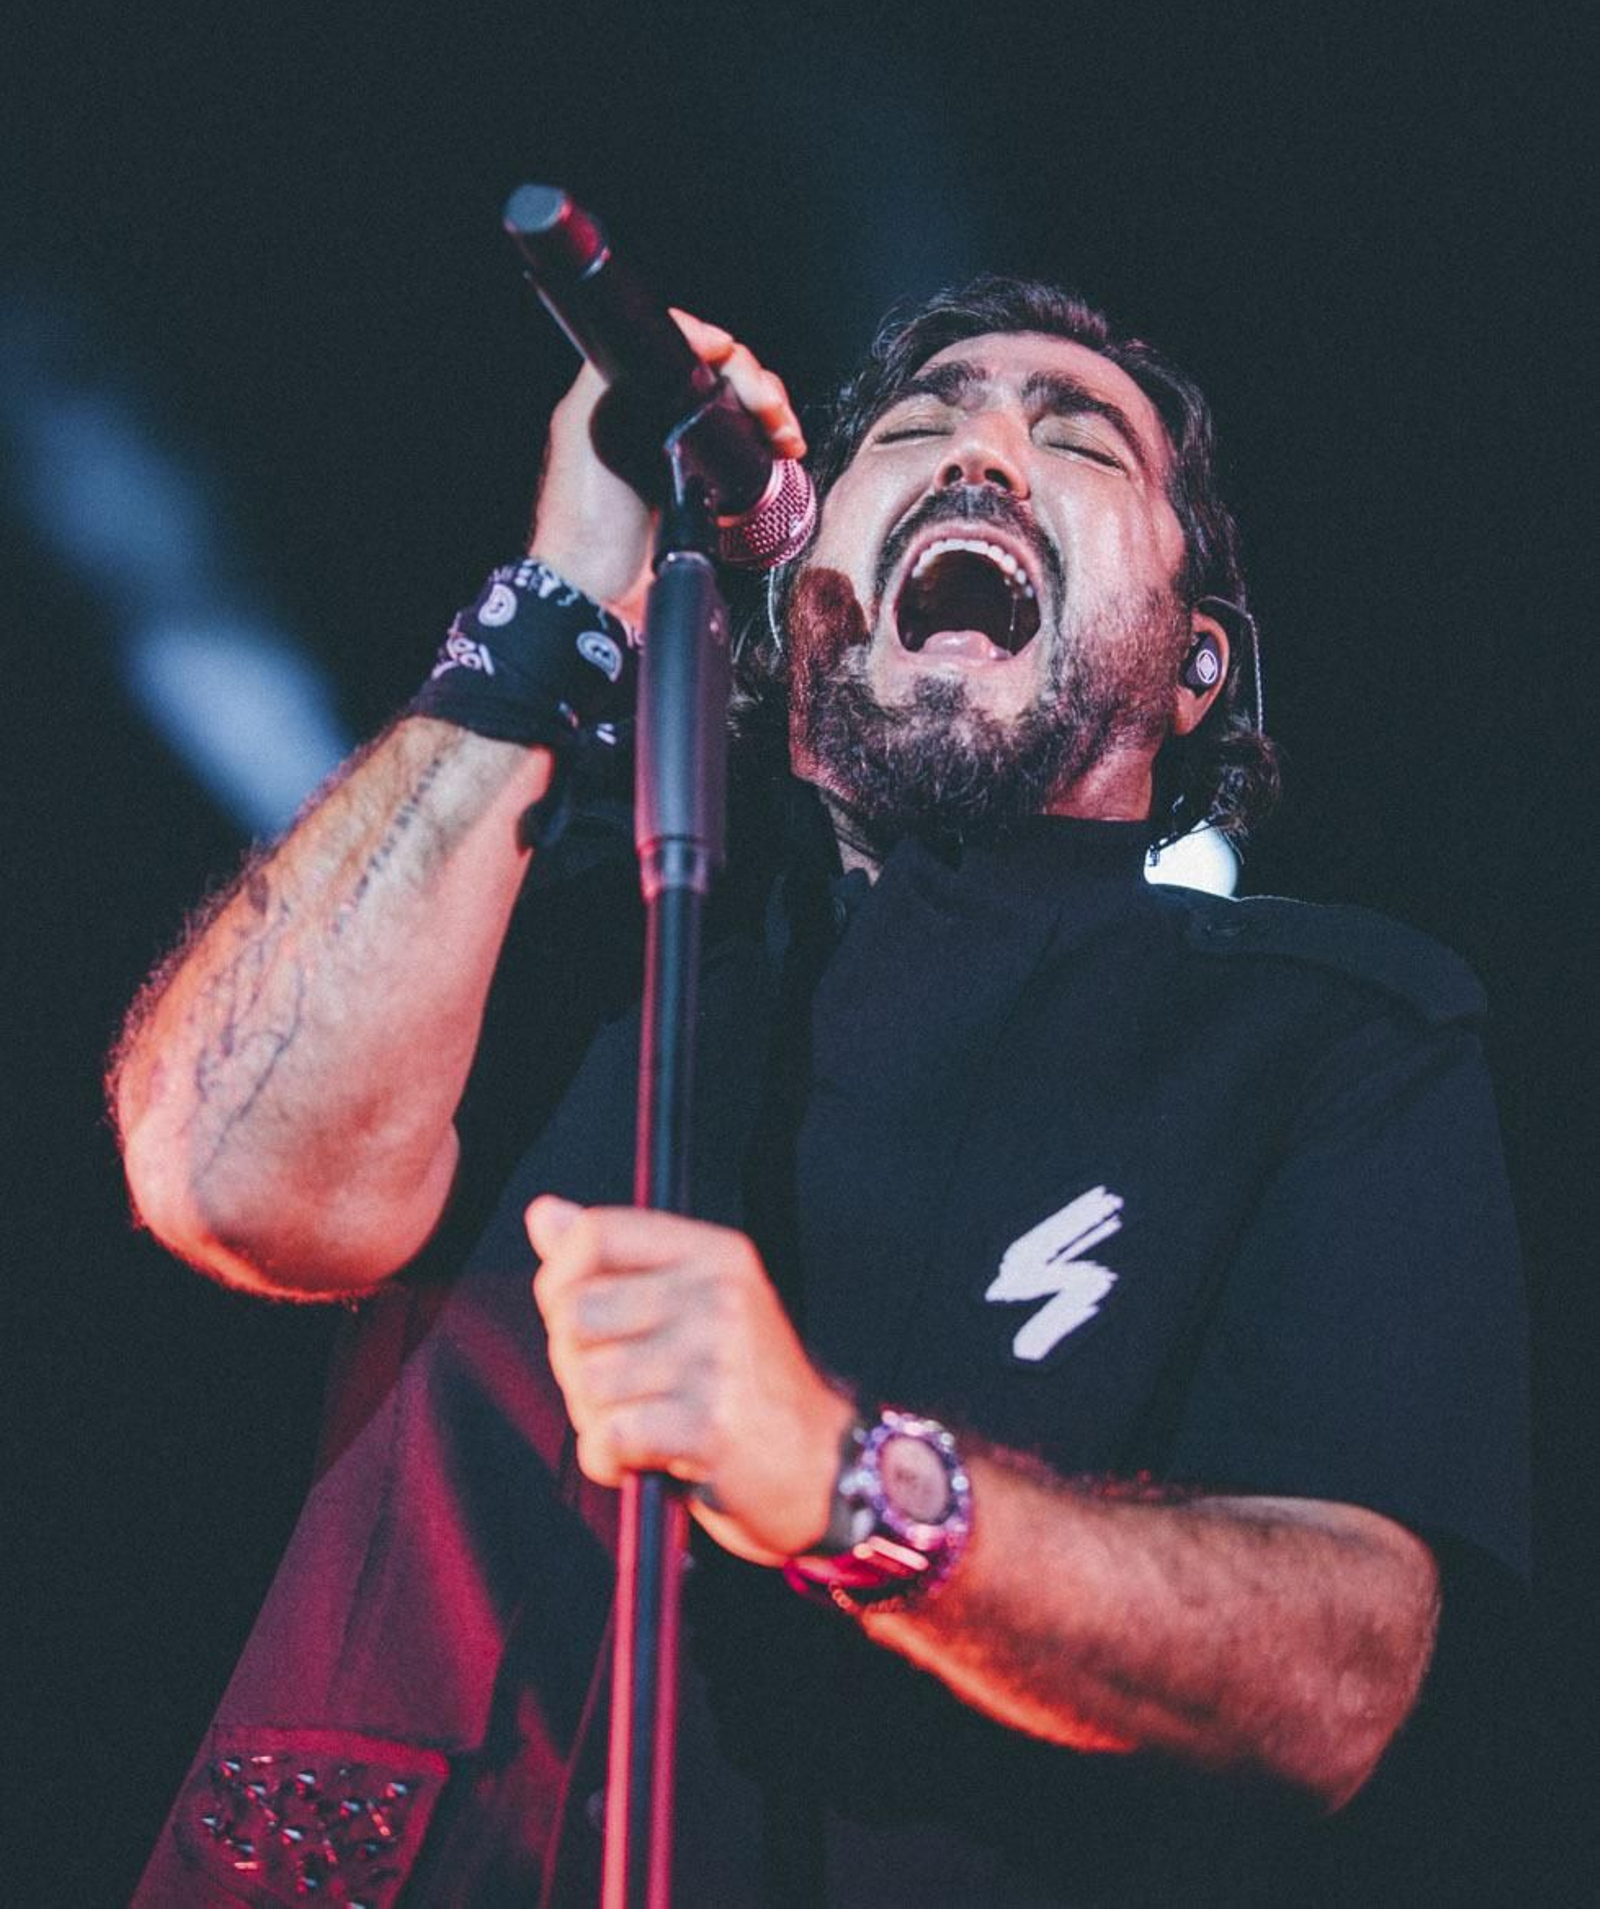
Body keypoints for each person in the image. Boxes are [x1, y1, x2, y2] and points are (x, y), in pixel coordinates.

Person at [114, 279, 1528, 1904]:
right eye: (917, 424)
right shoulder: (543, 915)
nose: (980, 453)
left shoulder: (1317, 1034)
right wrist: (565, 589)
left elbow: (1342, 1676)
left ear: (1194, 659)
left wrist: (854, 1485)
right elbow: (227, 1174)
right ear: (802, 589)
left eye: (1076, 441)